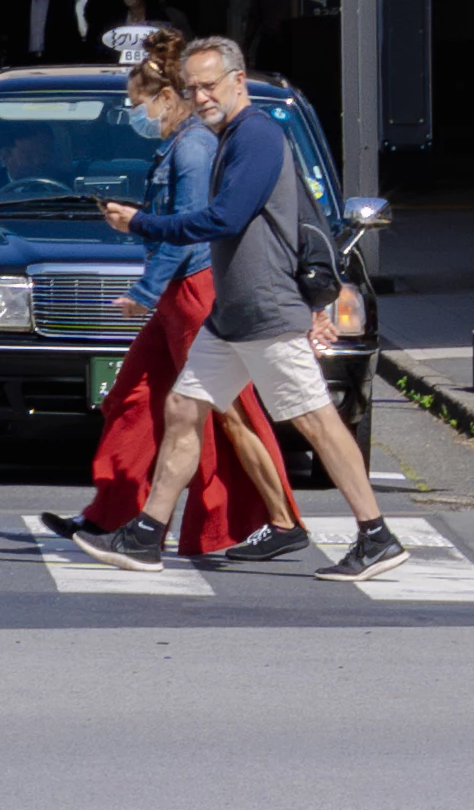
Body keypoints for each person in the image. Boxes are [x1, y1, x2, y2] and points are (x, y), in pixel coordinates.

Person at [97, 39, 405, 583]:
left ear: (238, 81)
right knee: (184, 409)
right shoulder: (232, 136)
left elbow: (224, 217)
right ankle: (147, 533)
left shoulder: (257, 135)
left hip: (263, 309)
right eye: (192, 87)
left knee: (317, 422)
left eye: (210, 85)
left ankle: (375, 534)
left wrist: (140, 223)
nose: (200, 96)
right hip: (233, 314)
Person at [39, 51, 299, 559]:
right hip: (176, 299)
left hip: (194, 292)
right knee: (133, 399)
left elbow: (186, 232)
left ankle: (279, 519)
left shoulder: (195, 148)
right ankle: (108, 515)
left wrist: (144, 291)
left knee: (229, 413)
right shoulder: (179, 143)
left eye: (138, 104)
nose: (135, 115)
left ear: (164, 98)